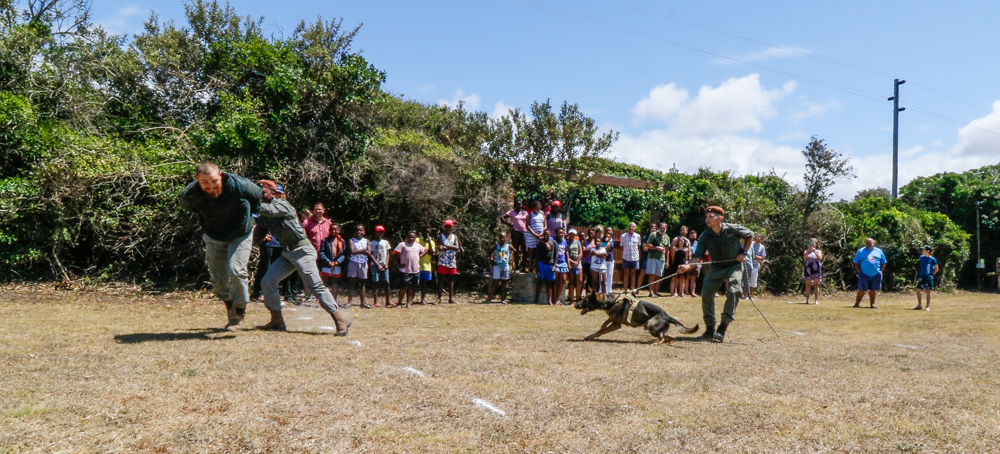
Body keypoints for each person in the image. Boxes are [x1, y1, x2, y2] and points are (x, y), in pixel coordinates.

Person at [253, 180, 350, 335]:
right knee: (267, 282)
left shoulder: (282, 204)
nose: (260, 196)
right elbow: (256, 238)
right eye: (258, 194)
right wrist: (252, 234)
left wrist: (247, 204)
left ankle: (340, 319)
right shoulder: (263, 217)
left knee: (315, 285)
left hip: (303, 250)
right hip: (288, 253)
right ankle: (277, 320)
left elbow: (268, 210)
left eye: (263, 193)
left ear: (274, 193)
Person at [178, 162, 261, 329]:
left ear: (221, 176)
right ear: (197, 180)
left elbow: (257, 195)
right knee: (218, 282)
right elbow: (189, 208)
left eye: (214, 181)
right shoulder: (189, 195)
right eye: (204, 182)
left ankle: (239, 309)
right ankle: (229, 304)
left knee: (236, 270)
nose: (210, 186)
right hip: (213, 235)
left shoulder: (238, 185)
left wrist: (255, 218)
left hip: (241, 233)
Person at [677, 206, 754, 343]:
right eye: (706, 217)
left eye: (711, 216)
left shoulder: (732, 228)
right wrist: (687, 266)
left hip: (734, 266)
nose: (707, 219)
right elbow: (697, 257)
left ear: (720, 218)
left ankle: (722, 327)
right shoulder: (705, 236)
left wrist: (744, 252)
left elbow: (749, 235)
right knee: (706, 293)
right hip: (716, 267)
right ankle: (710, 329)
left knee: (734, 290)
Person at [393, 231, 427, 308]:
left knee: (412, 287)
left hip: (415, 269)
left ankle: (409, 302)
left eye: (413, 237)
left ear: (415, 237)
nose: (411, 239)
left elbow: (425, 250)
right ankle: (399, 303)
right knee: (404, 287)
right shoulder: (402, 245)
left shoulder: (418, 245)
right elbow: (394, 254)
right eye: (410, 237)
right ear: (407, 237)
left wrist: (419, 256)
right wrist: (397, 264)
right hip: (405, 270)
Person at [853, 238, 887, 309]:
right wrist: (859, 271)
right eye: (867, 243)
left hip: (876, 274)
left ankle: (872, 304)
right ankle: (857, 304)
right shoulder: (861, 251)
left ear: (873, 244)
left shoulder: (879, 251)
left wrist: (881, 271)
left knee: (873, 290)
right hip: (864, 273)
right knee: (862, 290)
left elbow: (884, 262)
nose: (868, 245)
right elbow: (855, 262)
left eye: (870, 243)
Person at [347, 225, 374, 309]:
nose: (359, 232)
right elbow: (353, 252)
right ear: (355, 232)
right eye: (357, 231)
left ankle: (363, 302)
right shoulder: (351, 240)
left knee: (362, 283)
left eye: (361, 230)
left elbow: (369, 252)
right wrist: (363, 250)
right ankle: (349, 302)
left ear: (364, 232)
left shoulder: (367, 241)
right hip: (353, 262)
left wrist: (358, 250)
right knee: (352, 282)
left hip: (363, 263)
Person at [318, 223, 344, 298]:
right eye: (332, 230)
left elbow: (343, 254)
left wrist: (338, 262)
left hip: (336, 264)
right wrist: (327, 261)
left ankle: (334, 299)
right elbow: (322, 252)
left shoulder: (341, 241)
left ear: (338, 230)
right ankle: (320, 299)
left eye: (335, 230)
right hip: (326, 264)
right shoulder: (325, 240)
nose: (333, 231)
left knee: (335, 282)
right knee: (324, 281)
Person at [438, 220, 461, 304]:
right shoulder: (441, 236)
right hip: (443, 260)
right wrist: (450, 247)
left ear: (452, 227)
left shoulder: (454, 237)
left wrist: (446, 246)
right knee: (441, 278)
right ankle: (439, 298)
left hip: (451, 260)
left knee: (451, 280)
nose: (448, 228)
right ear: (444, 227)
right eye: (447, 226)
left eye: (450, 226)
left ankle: (451, 298)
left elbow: (457, 247)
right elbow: (440, 247)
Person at [503, 200, 529, 272]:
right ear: (515, 205)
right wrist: (509, 224)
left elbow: (528, 220)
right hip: (515, 232)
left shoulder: (524, 212)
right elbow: (503, 217)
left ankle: (523, 267)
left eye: (520, 204)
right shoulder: (512, 212)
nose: (519, 206)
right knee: (516, 250)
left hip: (524, 232)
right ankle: (517, 267)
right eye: (517, 204)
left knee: (525, 250)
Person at [643, 222, 668, 297]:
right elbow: (648, 245)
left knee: (658, 276)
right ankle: (651, 292)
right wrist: (656, 247)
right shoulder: (653, 235)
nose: (662, 229)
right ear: (659, 228)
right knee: (652, 275)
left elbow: (668, 250)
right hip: (652, 257)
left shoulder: (667, 237)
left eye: (664, 228)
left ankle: (656, 291)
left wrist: (667, 261)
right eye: (661, 227)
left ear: (666, 229)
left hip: (662, 259)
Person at [486, 232, 512, 303]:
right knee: (495, 282)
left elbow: (515, 251)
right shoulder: (497, 246)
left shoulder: (508, 246)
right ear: (499, 238)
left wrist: (510, 258)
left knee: (504, 283)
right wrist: (492, 259)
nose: (502, 239)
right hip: (497, 266)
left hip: (505, 266)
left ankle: (503, 299)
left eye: (504, 237)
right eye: (501, 237)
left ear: (506, 238)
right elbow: (490, 252)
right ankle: (489, 298)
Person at [534, 228, 557, 304]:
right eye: (545, 234)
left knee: (549, 283)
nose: (546, 235)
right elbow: (537, 256)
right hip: (542, 264)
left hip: (550, 264)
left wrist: (554, 266)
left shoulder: (553, 242)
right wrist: (537, 267)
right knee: (540, 281)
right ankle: (536, 299)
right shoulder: (540, 244)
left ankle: (549, 300)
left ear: (550, 234)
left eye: (548, 234)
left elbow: (556, 255)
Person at [370, 225, 391, 308]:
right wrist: (377, 265)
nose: (379, 234)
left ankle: (388, 301)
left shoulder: (385, 242)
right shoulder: (372, 243)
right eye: (378, 232)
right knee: (376, 283)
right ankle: (376, 301)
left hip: (384, 265)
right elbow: (371, 255)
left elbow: (388, 253)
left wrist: (387, 264)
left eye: (381, 232)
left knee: (386, 283)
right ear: (375, 233)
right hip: (374, 265)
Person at [914, 245, 939, 310]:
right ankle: (919, 305)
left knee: (928, 291)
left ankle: (927, 307)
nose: (922, 251)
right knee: (918, 290)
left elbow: (937, 268)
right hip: (922, 276)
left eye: (924, 250)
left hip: (929, 277)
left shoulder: (932, 259)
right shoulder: (922, 257)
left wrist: (932, 274)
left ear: (928, 251)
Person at [415, 228, 437, 305]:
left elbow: (432, 252)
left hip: (426, 265)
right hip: (416, 265)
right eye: (426, 232)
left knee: (424, 284)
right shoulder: (417, 240)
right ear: (423, 232)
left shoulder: (432, 242)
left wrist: (429, 243)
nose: (427, 234)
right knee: (413, 283)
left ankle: (423, 299)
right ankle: (410, 298)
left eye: (429, 233)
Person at [669, 226, 692, 297]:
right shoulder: (676, 239)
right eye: (681, 230)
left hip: (683, 263)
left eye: (684, 230)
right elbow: (672, 255)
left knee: (682, 279)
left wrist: (688, 262)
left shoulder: (688, 241)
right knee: (675, 278)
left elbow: (689, 253)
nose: (682, 231)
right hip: (676, 263)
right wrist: (674, 262)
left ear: (686, 231)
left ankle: (681, 293)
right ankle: (674, 292)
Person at [620, 222, 642, 292]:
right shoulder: (623, 236)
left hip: (635, 258)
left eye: (633, 227)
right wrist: (622, 257)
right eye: (630, 226)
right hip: (626, 257)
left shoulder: (638, 236)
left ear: (635, 228)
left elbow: (639, 247)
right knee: (626, 274)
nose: (631, 228)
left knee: (633, 274)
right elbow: (621, 247)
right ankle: (625, 289)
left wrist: (639, 257)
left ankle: (633, 289)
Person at [525, 201, 545, 273]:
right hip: (531, 236)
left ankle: (537, 268)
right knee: (531, 252)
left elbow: (545, 225)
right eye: (536, 206)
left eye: (539, 206)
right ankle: (530, 268)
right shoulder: (530, 214)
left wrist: (542, 233)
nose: (538, 208)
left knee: (538, 253)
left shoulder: (542, 215)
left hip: (540, 236)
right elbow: (528, 225)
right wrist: (534, 234)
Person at [552, 227, 570, 306]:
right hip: (556, 263)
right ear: (556, 233)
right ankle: (554, 299)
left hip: (563, 263)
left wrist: (568, 263)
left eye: (562, 233)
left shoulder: (564, 241)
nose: (561, 234)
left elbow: (566, 252)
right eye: (559, 233)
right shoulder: (553, 240)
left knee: (563, 280)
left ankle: (557, 298)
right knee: (555, 282)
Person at [566, 228, 584, 304]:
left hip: (578, 263)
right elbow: (566, 254)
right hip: (570, 262)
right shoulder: (566, 243)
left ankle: (577, 299)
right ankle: (571, 300)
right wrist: (571, 262)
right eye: (571, 234)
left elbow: (581, 252)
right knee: (571, 281)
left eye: (573, 234)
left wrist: (577, 262)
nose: (572, 235)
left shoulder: (578, 242)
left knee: (579, 281)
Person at [590, 226, 608, 295]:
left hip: (602, 267)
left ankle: (604, 296)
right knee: (595, 283)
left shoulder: (603, 248)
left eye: (598, 241)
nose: (597, 242)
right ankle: (594, 296)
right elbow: (596, 254)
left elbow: (605, 254)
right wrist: (601, 254)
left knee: (603, 283)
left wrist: (602, 254)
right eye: (596, 241)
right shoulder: (592, 249)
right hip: (594, 267)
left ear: (601, 242)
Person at [803, 238, 822, 304]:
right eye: (811, 243)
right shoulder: (806, 251)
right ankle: (807, 300)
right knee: (808, 284)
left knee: (816, 284)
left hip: (816, 268)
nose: (812, 244)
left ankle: (816, 301)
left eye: (814, 243)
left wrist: (815, 252)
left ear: (816, 244)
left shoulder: (818, 251)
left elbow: (820, 258)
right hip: (808, 268)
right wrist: (808, 250)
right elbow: (805, 257)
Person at [750, 234, 767, 300]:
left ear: (762, 240)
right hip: (747, 264)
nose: (759, 238)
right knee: (745, 280)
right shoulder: (750, 244)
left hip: (755, 265)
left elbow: (762, 257)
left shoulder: (762, 247)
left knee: (753, 280)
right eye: (758, 237)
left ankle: (751, 295)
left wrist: (754, 256)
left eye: (761, 238)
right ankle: (744, 294)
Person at [686, 229, 701, 298]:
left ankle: (692, 292)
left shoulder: (698, 243)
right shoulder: (686, 241)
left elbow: (701, 253)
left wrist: (700, 263)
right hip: (688, 261)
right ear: (689, 236)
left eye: (694, 235)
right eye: (691, 235)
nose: (692, 237)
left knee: (693, 278)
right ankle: (686, 292)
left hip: (696, 261)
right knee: (687, 277)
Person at [581, 228, 595, 296]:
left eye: (592, 233)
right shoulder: (584, 241)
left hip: (593, 263)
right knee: (583, 279)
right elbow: (583, 250)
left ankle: (589, 294)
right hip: (585, 262)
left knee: (590, 279)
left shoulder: (596, 241)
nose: (591, 235)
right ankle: (580, 294)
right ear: (588, 234)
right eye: (590, 233)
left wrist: (588, 249)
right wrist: (592, 250)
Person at [603, 227, 616, 296]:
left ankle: (609, 291)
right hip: (603, 260)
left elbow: (610, 248)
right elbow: (602, 247)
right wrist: (605, 242)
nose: (608, 232)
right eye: (607, 230)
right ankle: (603, 290)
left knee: (610, 275)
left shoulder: (612, 239)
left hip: (610, 259)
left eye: (610, 231)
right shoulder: (602, 239)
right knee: (603, 276)